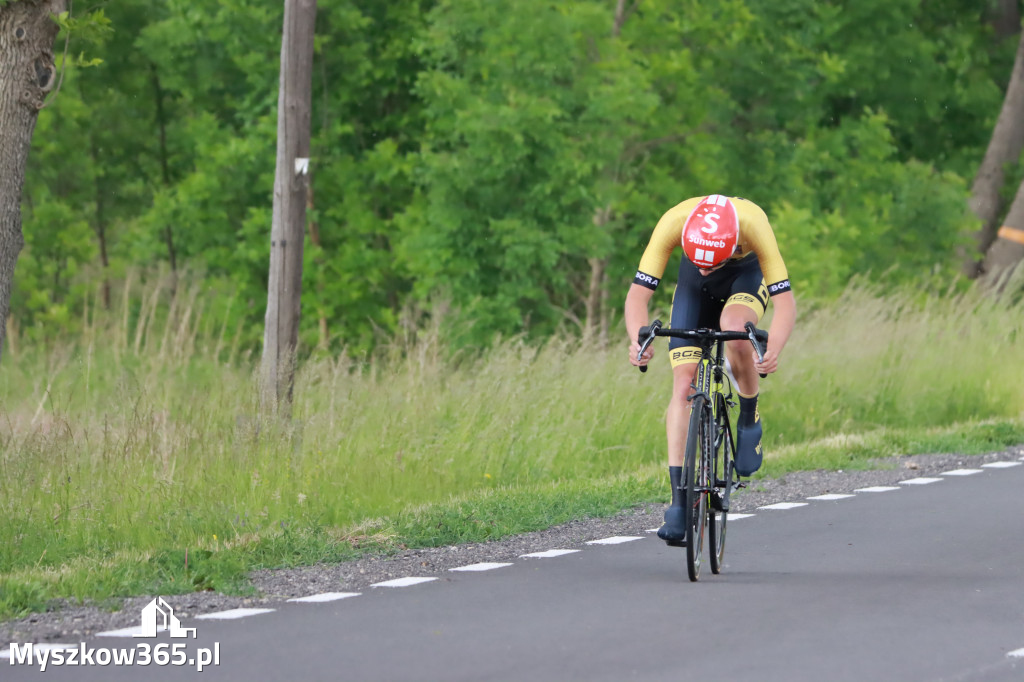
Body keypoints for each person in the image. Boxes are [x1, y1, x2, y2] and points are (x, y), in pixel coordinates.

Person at [624, 194, 796, 545]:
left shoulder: (753, 225)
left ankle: (749, 415)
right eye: (700, 261)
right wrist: (638, 342)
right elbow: (637, 295)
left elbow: (785, 304)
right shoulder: (675, 220)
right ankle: (678, 502)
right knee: (683, 385)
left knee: (734, 329)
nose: (706, 268)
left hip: (744, 276)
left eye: (711, 263)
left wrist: (772, 350)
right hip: (693, 289)